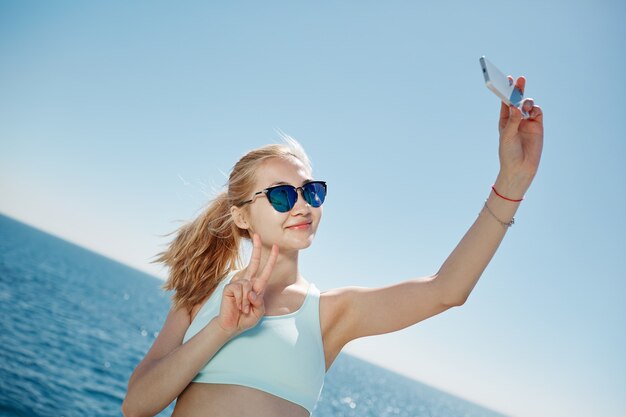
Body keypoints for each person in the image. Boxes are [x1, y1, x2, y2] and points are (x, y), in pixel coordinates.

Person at [122, 76, 543, 417]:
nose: (302, 205)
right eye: (283, 196)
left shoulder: (330, 315)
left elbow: (446, 290)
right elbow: (137, 405)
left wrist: (512, 183)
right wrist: (222, 330)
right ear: (242, 216)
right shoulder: (201, 293)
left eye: (312, 192)